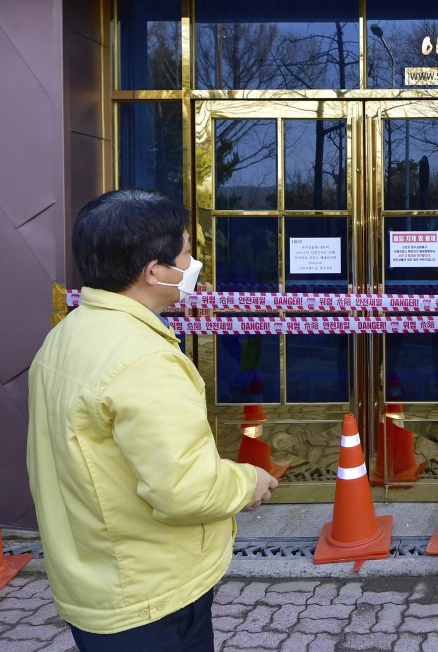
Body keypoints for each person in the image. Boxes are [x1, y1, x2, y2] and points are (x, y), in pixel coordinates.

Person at [27, 189, 277, 651]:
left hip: (95, 580)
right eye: (185, 252)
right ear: (155, 271)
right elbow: (186, 489)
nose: (191, 264)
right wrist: (248, 482)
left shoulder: (67, 334)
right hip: (149, 595)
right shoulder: (142, 358)